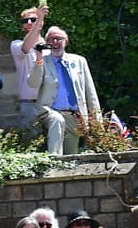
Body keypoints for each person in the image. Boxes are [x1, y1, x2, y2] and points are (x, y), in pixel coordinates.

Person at [28, 26, 101, 155]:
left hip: (73, 116)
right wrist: (38, 58)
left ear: (66, 41)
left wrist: (96, 119)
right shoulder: (43, 61)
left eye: (58, 39)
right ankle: (53, 160)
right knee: (57, 119)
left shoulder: (79, 61)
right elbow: (32, 83)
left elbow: (90, 92)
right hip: (49, 112)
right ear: (46, 43)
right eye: (51, 39)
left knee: (71, 155)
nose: (55, 42)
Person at [9, 3, 49, 130]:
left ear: (41, 23)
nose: (30, 22)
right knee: (30, 143)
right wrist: (39, 19)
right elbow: (26, 48)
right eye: (26, 20)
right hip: (29, 103)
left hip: (49, 103)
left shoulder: (50, 47)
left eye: (34, 19)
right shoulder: (16, 45)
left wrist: (40, 19)